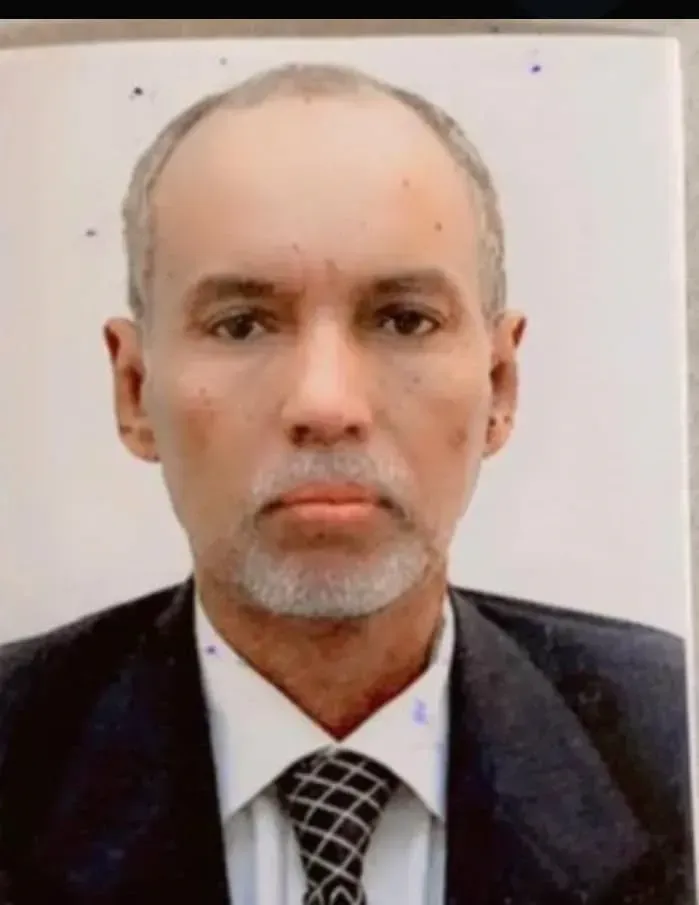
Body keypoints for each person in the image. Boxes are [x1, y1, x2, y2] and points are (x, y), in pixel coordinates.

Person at [0, 62, 692, 905]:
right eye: (241, 324)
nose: (325, 404)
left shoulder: (669, 739)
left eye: (403, 319)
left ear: (499, 385)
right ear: (134, 390)